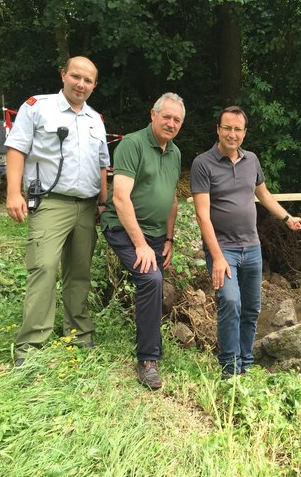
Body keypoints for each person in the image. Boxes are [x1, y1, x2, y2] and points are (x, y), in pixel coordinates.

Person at [5, 56, 110, 367]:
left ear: (94, 85)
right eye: (75, 76)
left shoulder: (95, 119)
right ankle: (31, 346)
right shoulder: (38, 107)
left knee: (79, 273)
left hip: (87, 206)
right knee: (44, 267)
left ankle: (79, 332)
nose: (81, 84)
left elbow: (103, 165)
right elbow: (17, 148)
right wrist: (13, 193)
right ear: (63, 75)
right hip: (51, 202)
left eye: (88, 80)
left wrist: (103, 203)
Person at [190, 105, 301, 377]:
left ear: (244, 132)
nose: (232, 134)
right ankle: (229, 369)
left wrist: (287, 218)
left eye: (237, 129)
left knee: (252, 308)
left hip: (252, 247)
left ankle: (246, 365)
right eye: (227, 128)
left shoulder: (251, 160)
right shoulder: (202, 164)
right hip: (223, 249)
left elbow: (263, 195)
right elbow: (202, 215)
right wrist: (217, 257)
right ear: (218, 129)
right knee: (230, 301)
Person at [100, 92, 185, 389]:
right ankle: (147, 360)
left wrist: (169, 239)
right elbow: (121, 198)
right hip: (124, 229)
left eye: (177, 120)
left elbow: (172, 199)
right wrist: (140, 244)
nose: (171, 123)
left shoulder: (174, 153)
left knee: (155, 279)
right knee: (150, 278)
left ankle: (149, 336)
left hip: (157, 233)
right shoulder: (132, 145)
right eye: (167, 117)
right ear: (153, 114)